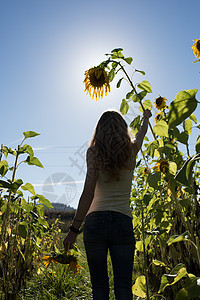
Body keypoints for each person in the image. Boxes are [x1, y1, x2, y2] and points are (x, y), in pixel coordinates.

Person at [63, 109, 152, 300]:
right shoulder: (131, 149)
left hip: (95, 223)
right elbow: (141, 133)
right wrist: (145, 118)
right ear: (123, 128)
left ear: (99, 130)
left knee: (100, 288)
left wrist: (73, 229)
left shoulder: (93, 152)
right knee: (123, 287)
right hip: (123, 221)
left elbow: (88, 193)